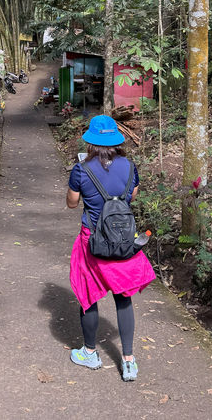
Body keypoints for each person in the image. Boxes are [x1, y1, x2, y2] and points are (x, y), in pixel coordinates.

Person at [66, 114, 155, 382]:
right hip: (123, 240)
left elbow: (72, 203)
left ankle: (90, 353)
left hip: (92, 241)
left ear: (90, 142)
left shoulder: (81, 169)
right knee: (123, 297)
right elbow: (132, 195)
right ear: (116, 141)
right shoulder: (129, 166)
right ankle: (129, 362)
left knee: (88, 295)